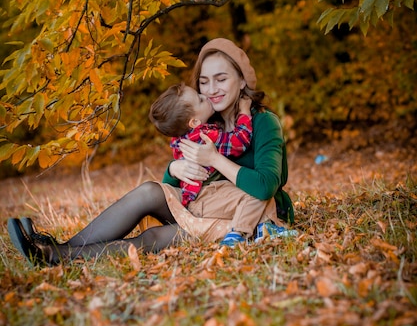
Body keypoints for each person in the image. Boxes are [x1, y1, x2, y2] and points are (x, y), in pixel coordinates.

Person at [7, 37, 295, 266]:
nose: (211, 90)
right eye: (204, 82)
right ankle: (59, 246)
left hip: (250, 214)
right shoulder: (207, 122)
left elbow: (266, 185)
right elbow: (183, 187)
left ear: (242, 80)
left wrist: (214, 159)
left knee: (155, 237)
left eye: (221, 79)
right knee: (148, 191)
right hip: (203, 205)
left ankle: (56, 256)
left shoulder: (263, 122)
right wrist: (173, 170)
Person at [149, 83, 253, 207]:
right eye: (201, 99)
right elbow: (240, 141)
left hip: (191, 196)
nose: (205, 96)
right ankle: (245, 227)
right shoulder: (205, 136)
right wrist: (245, 112)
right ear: (195, 122)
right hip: (206, 195)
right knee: (251, 200)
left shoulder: (180, 139)